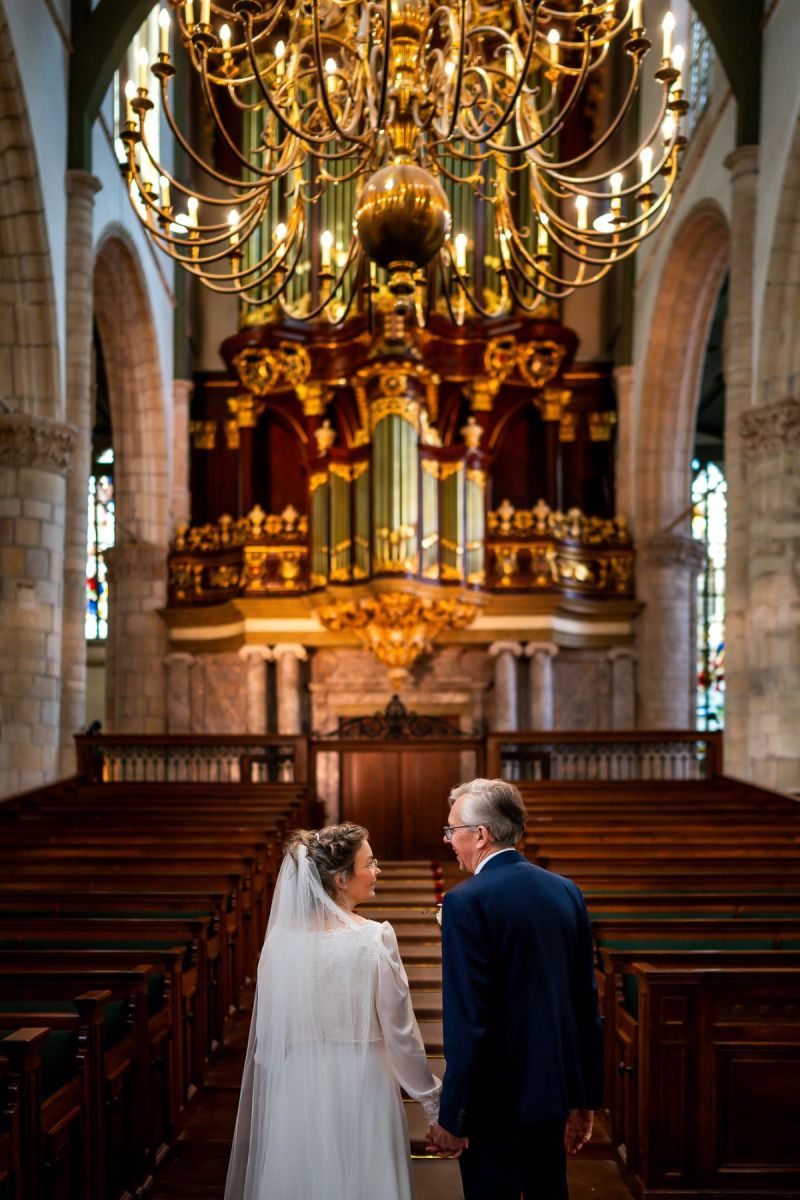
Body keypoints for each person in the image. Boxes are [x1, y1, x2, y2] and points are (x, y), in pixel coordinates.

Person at [224, 822, 441, 1200]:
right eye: (369, 863)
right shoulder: (374, 938)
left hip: (297, 1084)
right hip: (362, 1081)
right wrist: (432, 1100)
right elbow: (400, 1033)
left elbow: (270, 1043)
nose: (377, 872)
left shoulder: (279, 945)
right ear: (341, 879)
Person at [427, 778, 603, 1199]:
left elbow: (469, 1019)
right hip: (553, 1090)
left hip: (494, 1100)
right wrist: (584, 1098)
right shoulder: (565, 890)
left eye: (452, 830)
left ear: (481, 834)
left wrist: (455, 1115)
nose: (448, 840)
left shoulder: (466, 901)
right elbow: (585, 1002)